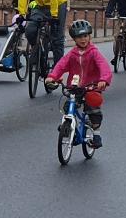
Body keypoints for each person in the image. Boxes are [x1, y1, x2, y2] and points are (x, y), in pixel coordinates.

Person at [45, 19, 113, 148]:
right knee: (68, 107)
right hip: (75, 86)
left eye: (85, 36)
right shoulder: (72, 54)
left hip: (91, 86)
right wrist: (52, 77)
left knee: (93, 109)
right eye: (79, 37)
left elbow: (104, 67)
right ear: (74, 39)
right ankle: (70, 126)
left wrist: (103, 80)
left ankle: (96, 135)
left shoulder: (94, 53)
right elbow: (61, 65)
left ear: (89, 36)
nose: (83, 39)